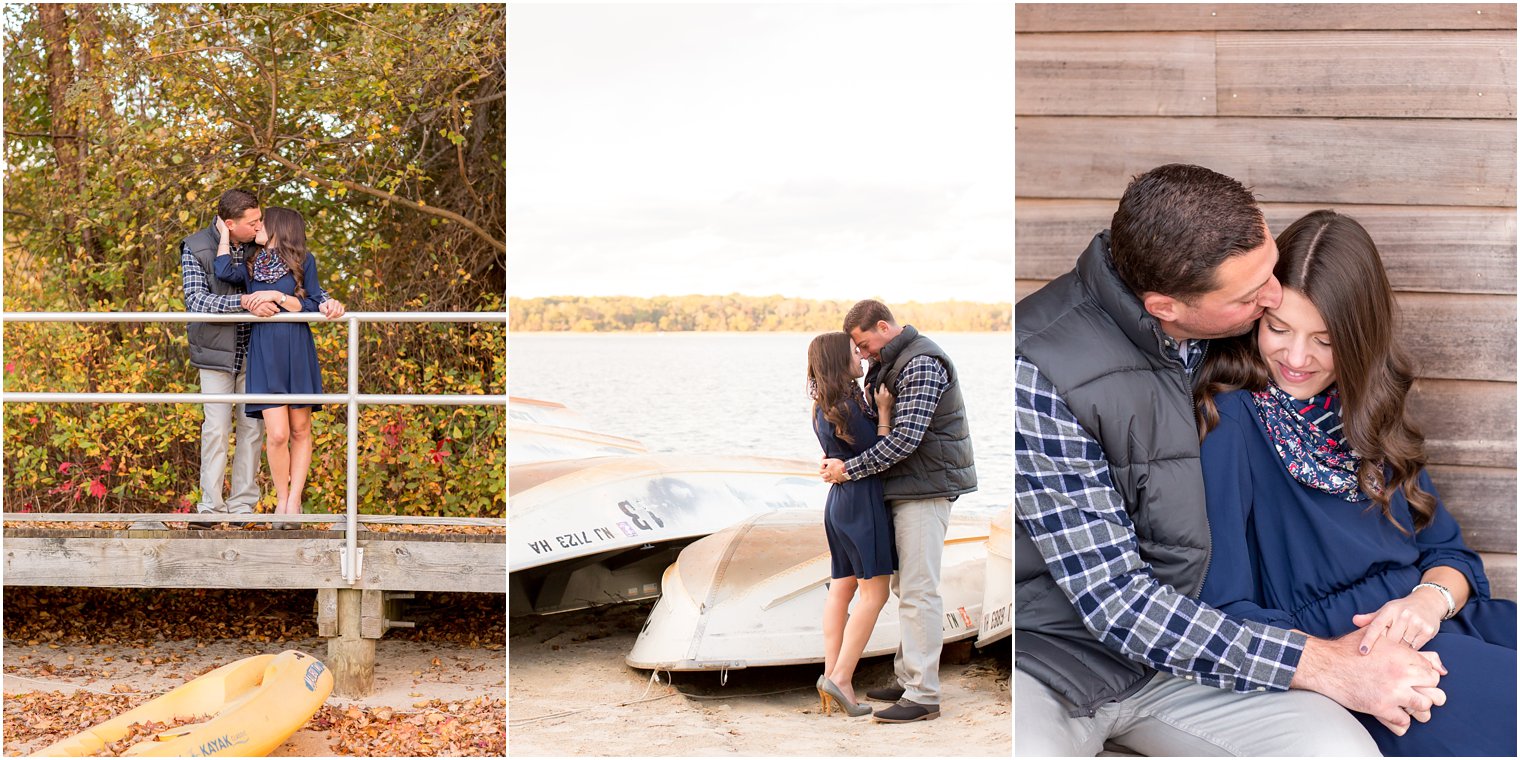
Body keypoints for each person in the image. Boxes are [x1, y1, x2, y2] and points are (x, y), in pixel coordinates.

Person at [1015, 164, 1447, 756]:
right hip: (1057, 662)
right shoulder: (1037, 376)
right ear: (1166, 306)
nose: (1276, 297)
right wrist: (1327, 665)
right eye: (1253, 298)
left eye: (1270, 269)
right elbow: (1117, 603)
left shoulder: (1228, 331)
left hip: (1189, 663)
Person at [1195, 210, 1517, 756]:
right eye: (1279, 329)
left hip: (1441, 622)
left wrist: (1426, 601)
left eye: (1325, 339)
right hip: (1357, 662)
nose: (1296, 358)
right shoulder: (1232, 422)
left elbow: (1451, 555)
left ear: (1360, 337)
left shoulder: (1361, 408)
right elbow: (1224, 606)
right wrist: (1342, 664)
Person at [820, 299, 977, 724]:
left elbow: (905, 440)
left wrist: (847, 470)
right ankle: (910, 676)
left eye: (863, 342)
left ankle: (924, 694)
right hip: (903, 489)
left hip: (926, 490)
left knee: (919, 590)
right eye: (857, 347)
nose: (863, 352)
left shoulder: (922, 363)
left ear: (884, 327)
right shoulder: (889, 363)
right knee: (904, 588)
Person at [180, 189, 342, 528]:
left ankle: (242, 508)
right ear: (229, 224)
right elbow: (197, 300)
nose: (257, 226)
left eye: (260, 221)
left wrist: (326, 301)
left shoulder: (260, 246)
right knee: (217, 428)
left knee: (254, 431)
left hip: (257, 351)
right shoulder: (196, 247)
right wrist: (246, 303)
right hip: (218, 351)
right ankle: (210, 509)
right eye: (252, 222)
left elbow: (303, 280)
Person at [808, 332, 898, 717]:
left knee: (842, 587)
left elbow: (839, 456)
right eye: (853, 353)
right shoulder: (848, 405)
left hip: (837, 505)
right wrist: (884, 414)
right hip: (862, 501)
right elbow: (878, 453)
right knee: (874, 594)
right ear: (837, 361)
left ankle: (830, 672)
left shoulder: (820, 406)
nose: (860, 357)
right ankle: (841, 679)